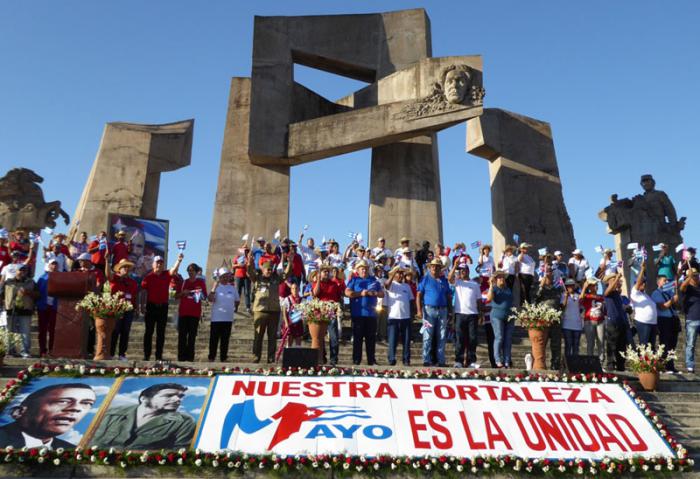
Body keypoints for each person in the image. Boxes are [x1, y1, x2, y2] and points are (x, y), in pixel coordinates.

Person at [92, 383, 195, 450]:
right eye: (168, 396)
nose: (178, 400)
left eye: (180, 397)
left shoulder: (184, 422)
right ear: (144, 399)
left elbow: (181, 451)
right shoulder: (111, 414)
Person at [0, 383, 96, 448]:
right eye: (63, 401)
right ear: (19, 412)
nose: (76, 408)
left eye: (86, 403)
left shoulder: (70, 449)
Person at [248, 249, 292, 363]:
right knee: (258, 336)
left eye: (270, 269)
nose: (269, 271)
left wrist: (290, 262)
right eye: (267, 269)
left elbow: (286, 274)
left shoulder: (276, 279)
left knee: (272, 336)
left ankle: (271, 357)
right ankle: (256, 356)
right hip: (260, 311)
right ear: (263, 270)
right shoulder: (257, 279)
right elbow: (250, 272)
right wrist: (250, 262)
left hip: (274, 311)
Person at [139, 253, 184, 361]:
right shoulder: (148, 277)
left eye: (161, 263)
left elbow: (173, 270)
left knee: (161, 333)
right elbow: (143, 292)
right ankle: (147, 355)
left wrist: (179, 260)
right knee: (149, 332)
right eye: (157, 263)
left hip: (163, 307)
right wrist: (141, 306)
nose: (159, 265)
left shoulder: (166, 274)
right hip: (151, 307)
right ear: (153, 264)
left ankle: (158, 356)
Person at [345, 260, 384, 366]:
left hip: (371, 314)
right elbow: (347, 292)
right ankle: (356, 360)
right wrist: (360, 293)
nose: (364, 270)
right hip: (358, 314)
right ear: (357, 270)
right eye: (361, 268)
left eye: (365, 268)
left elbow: (382, 294)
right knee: (357, 338)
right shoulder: (354, 280)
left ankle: (371, 360)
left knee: (371, 339)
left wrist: (374, 293)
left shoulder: (374, 280)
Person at [416, 258, 451, 367]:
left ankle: (441, 360)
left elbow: (448, 295)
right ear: (430, 268)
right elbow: (418, 295)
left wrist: (450, 310)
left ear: (440, 268)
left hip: (443, 310)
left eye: (437, 266)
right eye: (433, 266)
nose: (435, 268)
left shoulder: (444, 280)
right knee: (428, 335)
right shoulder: (425, 279)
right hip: (429, 310)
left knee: (442, 335)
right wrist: (418, 310)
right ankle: (426, 359)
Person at [448, 262, 482, 368]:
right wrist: (454, 266)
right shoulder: (457, 282)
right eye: (461, 270)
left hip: (473, 315)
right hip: (459, 314)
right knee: (460, 338)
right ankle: (458, 360)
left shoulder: (475, 284)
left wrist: (480, 314)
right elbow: (449, 278)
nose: (462, 271)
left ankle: (471, 361)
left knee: (472, 338)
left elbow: (479, 300)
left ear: (468, 271)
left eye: (464, 270)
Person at [1, 264, 36, 357]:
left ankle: (25, 352)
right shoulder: (8, 282)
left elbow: (38, 295)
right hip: (10, 311)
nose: (22, 272)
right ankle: (10, 352)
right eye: (20, 270)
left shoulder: (31, 282)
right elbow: (1, 294)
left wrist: (28, 292)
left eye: (24, 271)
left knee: (25, 334)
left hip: (25, 311)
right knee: (9, 333)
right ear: (16, 271)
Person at [106, 258, 138, 360]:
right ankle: (111, 354)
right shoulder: (114, 278)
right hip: (116, 309)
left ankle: (122, 354)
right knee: (115, 331)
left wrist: (136, 308)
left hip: (128, 309)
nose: (126, 269)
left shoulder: (132, 282)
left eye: (128, 267)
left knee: (125, 332)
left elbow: (135, 296)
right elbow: (107, 274)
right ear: (119, 269)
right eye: (124, 267)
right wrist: (106, 260)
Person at [174, 263, 207, 362]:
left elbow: (204, 297)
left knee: (192, 337)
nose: (190, 272)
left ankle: (190, 357)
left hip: (195, 313)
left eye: (192, 270)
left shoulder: (200, 282)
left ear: (197, 272)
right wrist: (182, 293)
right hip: (183, 312)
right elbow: (176, 296)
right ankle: (181, 357)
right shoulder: (183, 282)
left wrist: (197, 293)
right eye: (189, 270)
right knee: (182, 336)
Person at [313, 264, 344, 365]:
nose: (326, 273)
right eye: (324, 271)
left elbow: (339, 296)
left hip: (331, 312)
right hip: (320, 312)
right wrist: (318, 280)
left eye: (327, 271)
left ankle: (333, 359)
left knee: (334, 337)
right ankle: (322, 357)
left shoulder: (333, 284)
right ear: (320, 273)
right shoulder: (316, 283)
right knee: (320, 336)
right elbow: (315, 293)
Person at [384, 266, 414, 366]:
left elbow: (411, 300)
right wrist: (393, 273)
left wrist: (412, 315)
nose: (400, 275)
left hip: (406, 317)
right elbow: (386, 285)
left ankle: (406, 359)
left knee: (406, 341)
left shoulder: (407, 286)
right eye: (398, 273)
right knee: (393, 340)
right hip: (393, 317)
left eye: (402, 273)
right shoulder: (392, 284)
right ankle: (391, 359)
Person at [534, 268, 563, 370]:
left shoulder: (557, 289)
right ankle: (539, 365)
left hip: (555, 320)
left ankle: (555, 365)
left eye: (551, 276)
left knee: (556, 344)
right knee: (541, 344)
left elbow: (561, 304)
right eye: (547, 276)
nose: (549, 277)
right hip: (543, 320)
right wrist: (541, 285)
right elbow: (534, 298)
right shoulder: (538, 288)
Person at [208, 268, 239, 362]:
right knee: (214, 340)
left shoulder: (232, 288)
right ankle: (211, 357)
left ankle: (223, 358)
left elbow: (237, 300)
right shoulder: (216, 287)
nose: (225, 278)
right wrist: (214, 287)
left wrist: (234, 308)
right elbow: (210, 299)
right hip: (216, 319)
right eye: (223, 276)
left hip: (228, 318)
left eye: (226, 276)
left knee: (225, 340)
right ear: (219, 277)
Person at [652, 275, 680, 373]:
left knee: (673, 344)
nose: (666, 282)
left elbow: (676, 305)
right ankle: (663, 366)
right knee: (664, 343)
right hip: (663, 320)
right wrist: (672, 301)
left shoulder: (669, 293)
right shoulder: (656, 293)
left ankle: (670, 365)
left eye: (667, 280)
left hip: (673, 319)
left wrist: (675, 299)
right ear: (658, 282)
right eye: (664, 280)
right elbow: (662, 306)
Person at [603, 271, 630, 372]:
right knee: (611, 345)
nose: (617, 281)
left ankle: (620, 365)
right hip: (612, 322)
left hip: (621, 322)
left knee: (621, 346)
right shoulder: (608, 292)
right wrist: (617, 277)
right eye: (614, 279)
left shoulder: (618, 294)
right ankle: (610, 364)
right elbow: (607, 291)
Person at [487, 270, 514, 368]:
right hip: (497, 316)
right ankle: (497, 359)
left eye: (503, 277)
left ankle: (507, 360)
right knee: (499, 337)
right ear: (496, 279)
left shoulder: (508, 289)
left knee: (508, 339)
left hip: (509, 316)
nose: (502, 279)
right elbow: (489, 298)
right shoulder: (494, 289)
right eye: (499, 277)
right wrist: (490, 285)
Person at [631, 261, 658, 347]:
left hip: (652, 323)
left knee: (651, 347)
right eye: (642, 282)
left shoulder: (646, 295)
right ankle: (642, 361)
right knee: (644, 346)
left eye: (644, 282)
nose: (644, 284)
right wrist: (642, 269)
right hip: (643, 323)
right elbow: (639, 281)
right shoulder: (634, 293)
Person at [36, 258, 59, 357]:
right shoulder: (42, 278)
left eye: (56, 264)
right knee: (43, 330)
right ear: (49, 265)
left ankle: (52, 350)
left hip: (54, 307)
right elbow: (37, 292)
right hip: (43, 307)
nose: (54, 266)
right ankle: (42, 351)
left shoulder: (61, 277)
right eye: (52, 264)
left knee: (53, 330)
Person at [580, 278, 605, 363]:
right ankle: (590, 362)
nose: (596, 287)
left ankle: (601, 363)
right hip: (589, 321)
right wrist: (584, 287)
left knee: (601, 342)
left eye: (597, 285)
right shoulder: (586, 296)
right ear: (590, 287)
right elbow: (580, 300)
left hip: (600, 322)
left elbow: (604, 309)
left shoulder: (601, 297)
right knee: (590, 343)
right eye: (594, 285)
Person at [680, 268, 700, 373]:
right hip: (692, 320)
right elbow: (682, 287)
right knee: (691, 344)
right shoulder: (687, 288)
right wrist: (689, 277)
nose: (696, 277)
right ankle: (690, 365)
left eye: (697, 275)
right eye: (694, 275)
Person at [561, 279, 583, 359]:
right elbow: (562, 307)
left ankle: (575, 366)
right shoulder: (563, 295)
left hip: (577, 325)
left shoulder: (578, 295)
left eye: (572, 285)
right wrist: (566, 297)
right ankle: (567, 365)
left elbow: (581, 309)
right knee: (568, 345)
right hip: (567, 325)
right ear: (566, 287)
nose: (571, 287)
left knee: (576, 346)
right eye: (569, 286)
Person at [281, 281, 303, 349]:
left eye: (296, 288)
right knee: (289, 339)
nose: (295, 290)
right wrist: (286, 323)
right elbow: (284, 311)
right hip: (290, 322)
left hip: (298, 322)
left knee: (298, 339)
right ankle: (288, 355)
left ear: (299, 289)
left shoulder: (302, 300)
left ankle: (297, 355)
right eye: (293, 288)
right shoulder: (287, 299)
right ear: (291, 290)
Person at [232, 246, 251, 313]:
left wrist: (249, 264)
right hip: (238, 276)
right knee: (238, 292)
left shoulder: (249, 257)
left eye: (246, 250)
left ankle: (248, 307)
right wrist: (239, 265)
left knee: (247, 292)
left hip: (247, 276)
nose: (245, 251)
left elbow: (252, 266)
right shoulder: (238, 257)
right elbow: (233, 265)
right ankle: (235, 307)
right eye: (244, 250)